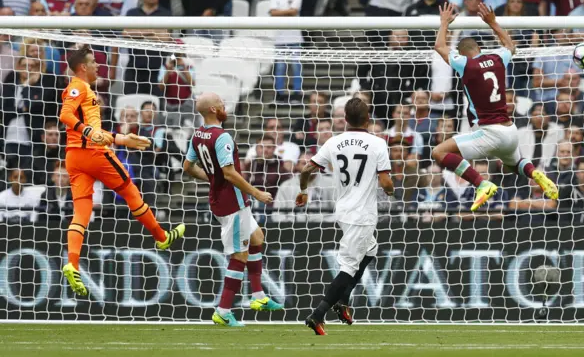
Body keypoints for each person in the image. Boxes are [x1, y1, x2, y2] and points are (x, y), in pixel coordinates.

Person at [58, 46, 185, 297]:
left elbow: (93, 131)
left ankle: (72, 263)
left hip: (74, 158)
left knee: (81, 212)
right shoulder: (78, 87)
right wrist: (91, 133)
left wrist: (121, 139)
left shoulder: (88, 91)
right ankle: (161, 236)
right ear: (82, 67)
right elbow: (65, 114)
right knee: (130, 190)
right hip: (94, 155)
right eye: (93, 62)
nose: (98, 66)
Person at [432, 2, 558, 211]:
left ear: (462, 55)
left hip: (488, 132)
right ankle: (534, 172)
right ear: (480, 49)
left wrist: (444, 22)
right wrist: (492, 22)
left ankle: (482, 184)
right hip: (510, 131)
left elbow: (439, 47)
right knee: (512, 164)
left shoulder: (465, 64)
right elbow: (511, 46)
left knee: (439, 152)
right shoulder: (497, 58)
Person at [296, 97, 394, 335]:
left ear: (345, 119)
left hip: (343, 209)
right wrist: (391, 189)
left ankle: (343, 302)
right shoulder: (377, 143)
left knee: (370, 250)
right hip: (362, 213)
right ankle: (318, 314)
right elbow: (386, 182)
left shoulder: (333, 142)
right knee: (349, 266)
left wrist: (303, 190)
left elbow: (307, 169)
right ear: (368, 118)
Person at [183, 93, 283, 327]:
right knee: (240, 255)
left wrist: (212, 179)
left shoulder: (197, 135)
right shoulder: (222, 137)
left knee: (257, 237)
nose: (224, 104)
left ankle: (258, 297)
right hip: (233, 204)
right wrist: (256, 193)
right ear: (214, 110)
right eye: (221, 102)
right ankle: (223, 311)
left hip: (220, 199)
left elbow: (188, 166)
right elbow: (229, 173)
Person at [269, 0, 303, 102]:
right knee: (280, 66)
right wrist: (286, 12)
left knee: (296, 65)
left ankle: (296, 93)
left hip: (295, 37)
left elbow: (294, 11)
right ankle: (280, 93)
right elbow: (273, 12)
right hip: (279, 38)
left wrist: (280, 12)